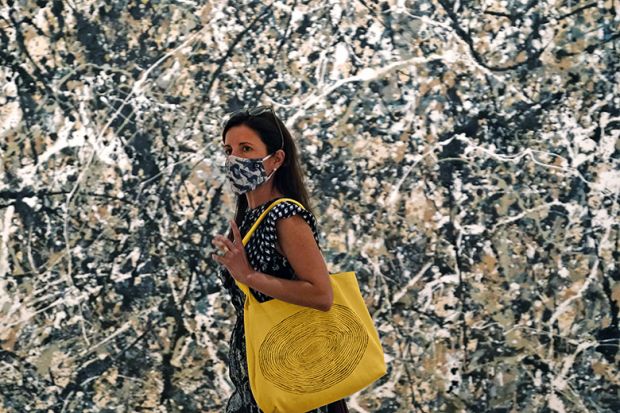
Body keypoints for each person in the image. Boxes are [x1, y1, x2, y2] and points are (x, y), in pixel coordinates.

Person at [211, 106, 349, 413]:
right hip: (263, 377)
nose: (234, 159)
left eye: (246, 149)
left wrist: (250, 277)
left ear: (276, 159)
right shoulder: (247, 220)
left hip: (297, 377)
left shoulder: (284, 216)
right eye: (228, 150)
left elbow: (321, 294)